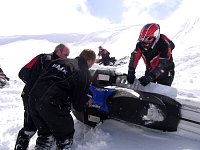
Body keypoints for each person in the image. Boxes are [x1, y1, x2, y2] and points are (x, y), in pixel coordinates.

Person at [28, 49, 96, 149]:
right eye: (92, 63)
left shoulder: (59, 61)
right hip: (52, 103)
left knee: (45, 136)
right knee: (65, 136)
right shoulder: (83, 72)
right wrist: (86, 102)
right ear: (90, 60)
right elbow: (78, 104)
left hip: (33, 98)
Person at [14, 44, 70, 150]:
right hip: (39, 99)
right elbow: (22, 73)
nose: (67, 57)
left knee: (30, 127)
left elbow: (23, 74)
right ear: (58, 51)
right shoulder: (52, 62)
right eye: (65, 54)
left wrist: (31, 85)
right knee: (43, 129)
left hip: (30, 96)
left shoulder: (44, 58)